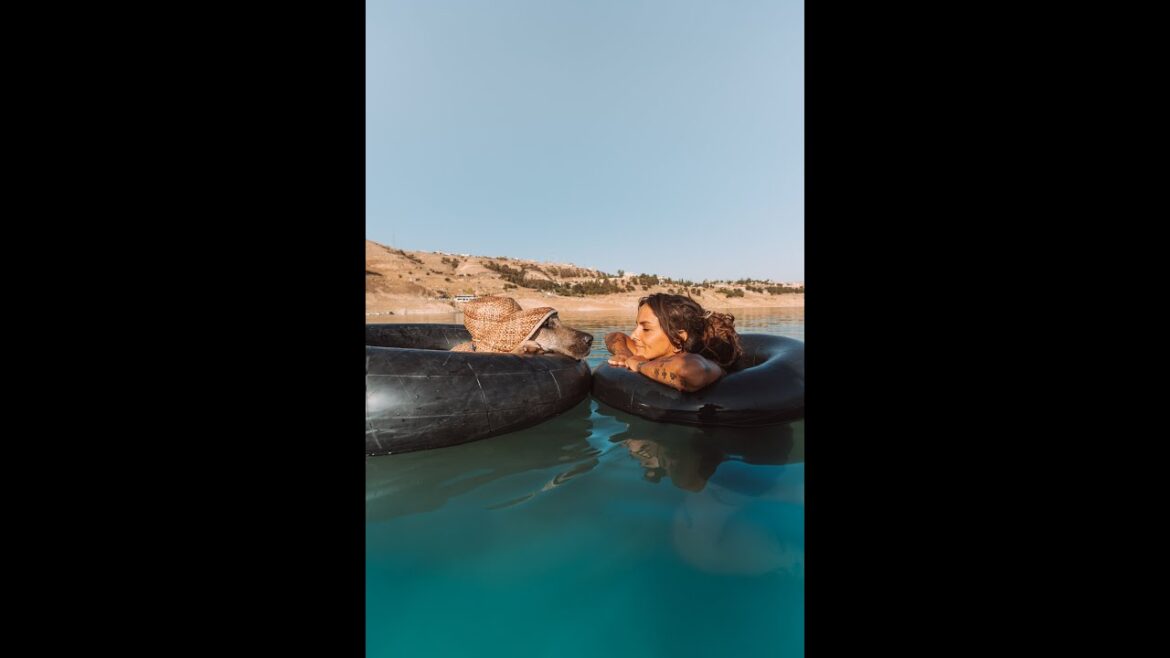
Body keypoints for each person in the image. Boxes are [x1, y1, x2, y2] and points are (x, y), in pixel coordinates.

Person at [605, 293, 744, 393]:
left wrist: (640, 364)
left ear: (678, 339)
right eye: (637, 326)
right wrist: (624, 354)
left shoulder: (711, 364)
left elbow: (689, 372)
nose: (634, 335)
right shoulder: (651, 350)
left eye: (646, 329)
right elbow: (614, 336)